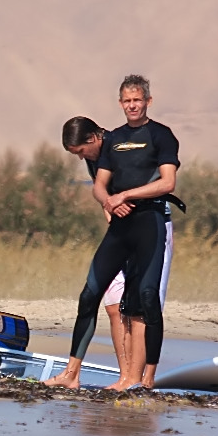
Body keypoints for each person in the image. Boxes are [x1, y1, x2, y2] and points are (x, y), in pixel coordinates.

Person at [46, 75, 181, 390]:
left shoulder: (147, 138)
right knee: (107, 300)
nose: (82, 158)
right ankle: (111, 376)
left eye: (82, 151)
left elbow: (164, 183)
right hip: (122, 231)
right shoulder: (104, 153)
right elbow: (101, 189)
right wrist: (109, 204)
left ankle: (140, 378)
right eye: (127, 101)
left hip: (152, 225)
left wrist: (121, 199)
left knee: (142, 303)